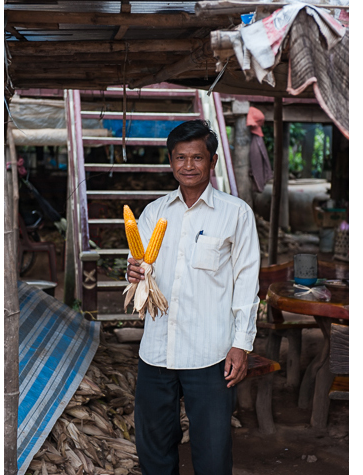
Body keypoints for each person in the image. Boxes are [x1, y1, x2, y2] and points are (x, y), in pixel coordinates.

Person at [126, 120, 259, 474]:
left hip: (211, 354)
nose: (188, 166)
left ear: (212, 162)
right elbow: (136, 266)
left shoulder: (236, 214)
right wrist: (134, 274)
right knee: (154, 449)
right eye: (180, 158)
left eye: (197, 158)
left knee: (213, 452)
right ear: (170, 162)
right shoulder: (154, 212)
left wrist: (241, 345)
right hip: (157, 352)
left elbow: (247, 282)